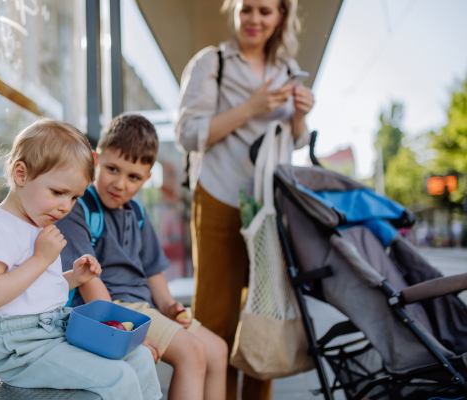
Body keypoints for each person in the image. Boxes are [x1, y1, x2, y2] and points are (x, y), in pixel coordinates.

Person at [0, 118, 162, 400]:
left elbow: (31, 290)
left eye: (75, 197)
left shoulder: (38, 226)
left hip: (52, 333)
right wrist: (42, 259)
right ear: (21, 174)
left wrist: (73, 279)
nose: (66, 206)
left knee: (138, 360)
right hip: (19, 349)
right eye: (57, 192)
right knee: (118, 377)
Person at [175, 0, 315, 399]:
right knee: (215, 319)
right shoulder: (212, 62)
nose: (255, 19)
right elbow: (187, 134)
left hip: (271, 208)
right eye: (247, 8)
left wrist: (300, 118)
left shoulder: (288, 71)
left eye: (265, 11)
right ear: (235, 11)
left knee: (264, 314)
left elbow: (295, 140)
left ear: (281, 17)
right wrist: (251, 108)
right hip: (220, 197)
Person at [57, 114, 229, 400]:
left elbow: (152, 271)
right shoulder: (78, 207)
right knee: (193, 353)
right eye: (113, 169)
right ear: (95, 160)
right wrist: (121, 332)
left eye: (134, 177)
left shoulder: (137, 213)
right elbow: (86, 279)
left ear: (147, 178)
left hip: (145, 308)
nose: (121, 184)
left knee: (217, 351)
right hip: (114, 308)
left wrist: (170, 306)